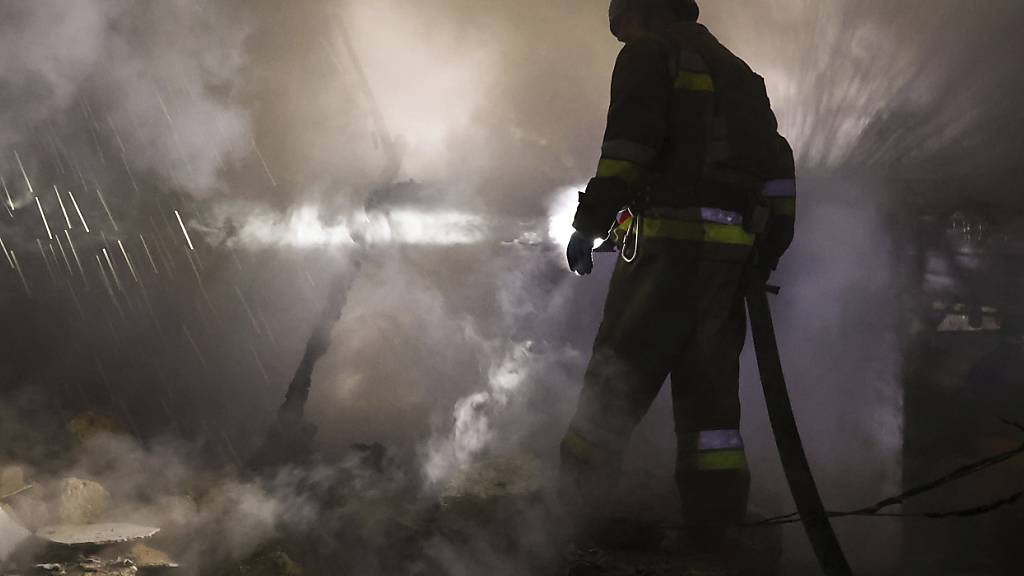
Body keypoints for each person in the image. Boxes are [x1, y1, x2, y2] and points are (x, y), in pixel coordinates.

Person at [561, 0, 797, 533]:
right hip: (727, 265)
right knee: (711, 412)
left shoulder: (651, 54)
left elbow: (626, 148)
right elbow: (780, 171)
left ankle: (571, 512)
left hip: (666, 254)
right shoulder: (742, 76)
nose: (625, 41)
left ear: (641, 15)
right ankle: (716, 531)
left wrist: (589, 224)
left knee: (615, 379)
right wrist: (764, 253)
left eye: (624, 31)